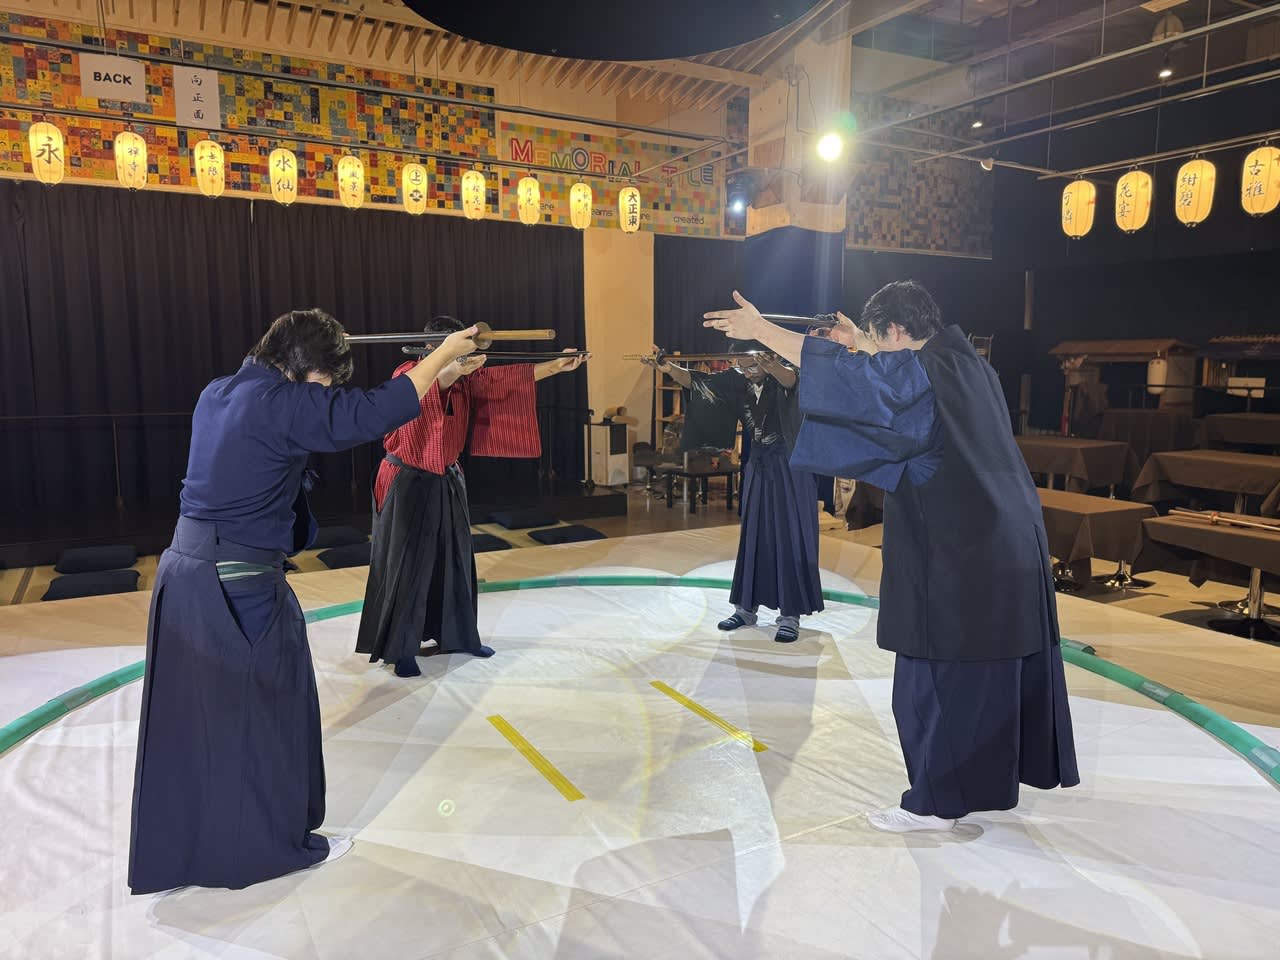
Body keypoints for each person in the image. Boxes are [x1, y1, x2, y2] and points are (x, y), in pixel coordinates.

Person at [703, 283, 1078, 833]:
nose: (875, 353)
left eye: (880, 342)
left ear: (897, 331)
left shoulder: (923, 375)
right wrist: (861, 339)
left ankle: (935, 804)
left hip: (955, 551)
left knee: (934, 681)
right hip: (1008, 541)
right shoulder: (968, 364)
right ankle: (976, 787)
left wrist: (761, 330)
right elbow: (888, 377)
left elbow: (855, 381)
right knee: (988, 676)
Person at [129, 309, 478, 894]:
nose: (327, 392)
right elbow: (368, 413)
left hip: (184, 577)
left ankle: (191, 850)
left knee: (199, 727)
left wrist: (440, 374)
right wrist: (442, 354)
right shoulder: (279, 402)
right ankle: (266, 849)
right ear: (300, 367)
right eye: (326, 380)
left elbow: (351, 412)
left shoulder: (219, 392)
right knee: (268, 718)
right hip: (236, 587)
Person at [356, 316, 588, 676]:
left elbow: (507, 380)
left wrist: (557, 365)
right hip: (407, 479)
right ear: (432, 347)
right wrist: (454, 368)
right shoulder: (408, 373)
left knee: (456, 560)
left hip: (446, 477)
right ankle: (401, 648)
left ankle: (458, 635)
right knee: (408, 564)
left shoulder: (466, 378)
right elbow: (436, 382)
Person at [644, 341, 822, 643]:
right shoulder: (738, 380)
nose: (746, 370)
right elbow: (699, 382)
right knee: (753, 535)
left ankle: (790, 614)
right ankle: (745, 608)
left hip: (791, 466)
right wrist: (667, 368)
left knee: (789, 536)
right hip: (759, 464)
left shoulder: (785, 373)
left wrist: (771, 365)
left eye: (750, 364)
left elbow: (791, 380)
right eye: (740, 364)